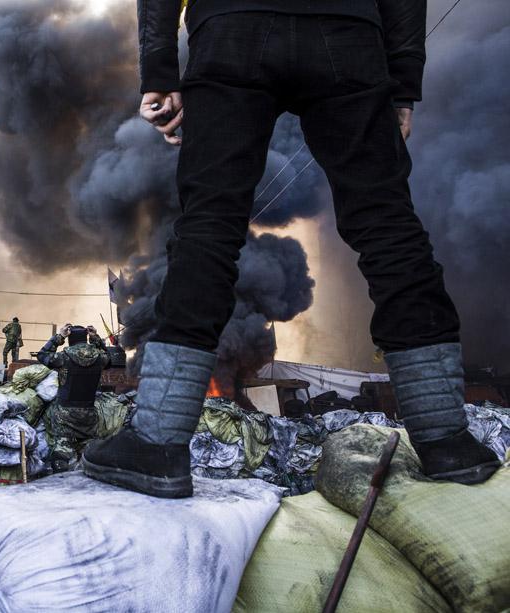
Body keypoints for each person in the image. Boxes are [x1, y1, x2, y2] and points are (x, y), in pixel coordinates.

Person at [84, 0, 500, 498]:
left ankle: (157, 443)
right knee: (388, 225)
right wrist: (402, 82)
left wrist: (159, 71)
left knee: (209, 227)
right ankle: (446, 440)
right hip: (349, 37)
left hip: (232, 30)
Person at [38, 324, 111, 473]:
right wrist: (96, 338)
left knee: (62, 453)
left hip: (65, 416)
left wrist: (60, 337)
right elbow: (110, 358)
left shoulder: (63, 357)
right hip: (89, 415)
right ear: (85, 339)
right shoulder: (99, 358)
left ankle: (61, 476)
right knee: (88, 451)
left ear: (71, 340)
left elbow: (42, 355)